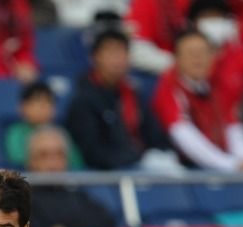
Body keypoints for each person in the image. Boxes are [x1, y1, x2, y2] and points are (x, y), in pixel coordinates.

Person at [152, 28, 243, 172]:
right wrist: (232, 165)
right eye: (190, 53)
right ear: (176, 58)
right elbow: (184, 137)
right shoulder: (168, 86)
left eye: (203, 53)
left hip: (223, 164)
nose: (198, 59)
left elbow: (233, 125)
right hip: (183, 166)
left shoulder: (217, 82)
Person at [65, 26, 171, 170]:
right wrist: (137, 160)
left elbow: (156, 137)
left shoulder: (136, 94)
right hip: (108, 175)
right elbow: (92, 152)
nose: (116, 59)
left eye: (121, 52)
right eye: (109, 52)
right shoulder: (83, 100)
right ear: (95, 57)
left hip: (142, 169)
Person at [25, 127, 117, 227]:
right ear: (31, 161)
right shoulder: (23, 202)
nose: (53, 163)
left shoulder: (78, 195)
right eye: (44, 155)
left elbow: (107, 221)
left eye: (59, 155)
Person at [5, 81, 82, 170]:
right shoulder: (15, 132)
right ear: (22, 107)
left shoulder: (61, 133)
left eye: (48, 101)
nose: (43, 106)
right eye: (37, 101)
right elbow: (19, 161)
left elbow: (76, 162)